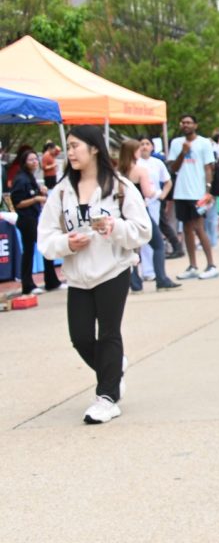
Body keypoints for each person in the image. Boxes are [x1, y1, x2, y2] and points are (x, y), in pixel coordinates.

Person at [38, 125, 153, 424]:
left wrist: (113, 227)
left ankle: (107, 397)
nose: (70, 152)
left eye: (76, 145)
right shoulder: (61, 192)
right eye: (69, 146)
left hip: (113, 270)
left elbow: (143, 230)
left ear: (94, 149)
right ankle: (114, 368)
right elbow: (46, 237)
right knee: (80, 338)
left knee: (109, 332)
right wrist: (67, 243)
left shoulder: (120, 186)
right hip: (78, 276)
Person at [117, 140, 178, 293]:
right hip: (140, 212)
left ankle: (135, 282)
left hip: (122, 213)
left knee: (130, 249)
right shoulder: (140, 170)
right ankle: (161, 279)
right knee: (157, 244)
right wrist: (159, 194)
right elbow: (148, 193)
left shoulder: (117, 172)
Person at [167, 115, 219, 280]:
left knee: (199, 227)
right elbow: (173, 168)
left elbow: (208, 168)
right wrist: (183, 153)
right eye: (183, 122)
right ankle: (192, 265)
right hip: (181, 192)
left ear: (195, 125)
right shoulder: (176, 143)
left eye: (189, 122)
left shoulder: (204, 143)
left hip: (197, 193)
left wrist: (208, 190)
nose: (186, 125)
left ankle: (211, 265)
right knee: (187, 229)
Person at [9, 147, 63, 295]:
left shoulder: (30, 177)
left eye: (35, 159)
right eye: (30, 160)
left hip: (33, 218)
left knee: (33, 250)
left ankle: (47, 281)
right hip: (27, 220)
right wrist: (36, 199)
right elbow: (18, 202)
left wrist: (41, 191)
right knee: (39, 248)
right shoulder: (21, 179)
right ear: (24, 162)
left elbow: (33, 193)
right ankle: (33, 284)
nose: (34, 162)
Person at [135, 138, 181, 289]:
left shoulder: (157, 163)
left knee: (154, 237)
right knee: (145, 238)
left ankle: (154, 270)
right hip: (141, 205)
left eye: (147, 144)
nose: (144, 147)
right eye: (141, 144)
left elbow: (167, 181)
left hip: (155, 202)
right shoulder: (136, 164)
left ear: (152, 147)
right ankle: (147, 270)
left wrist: (162, 195)